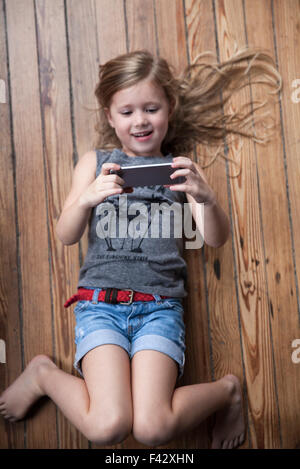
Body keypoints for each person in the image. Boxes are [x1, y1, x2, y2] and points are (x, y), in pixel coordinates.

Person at [0, 49, 281, 449]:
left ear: (169, 109)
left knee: (153, 430)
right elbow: (65, 234)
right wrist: (86, 199)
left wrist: (207, 197)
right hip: (101, 306)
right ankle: (44, 375)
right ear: (110, 117)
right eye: (127, 112)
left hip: (160, 309)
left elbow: (215, 238)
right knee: (106, 427)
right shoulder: (94, 164)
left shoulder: (183, 169)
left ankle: (229, 392)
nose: (141, 120)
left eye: (151, 108)